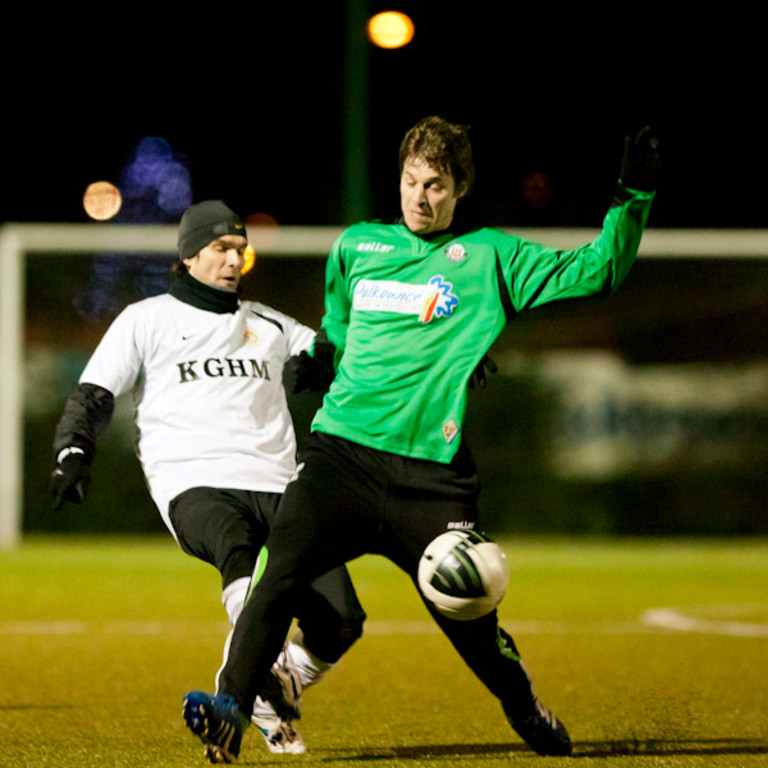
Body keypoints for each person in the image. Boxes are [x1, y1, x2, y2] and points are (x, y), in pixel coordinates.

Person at [182, 120, 660, 763]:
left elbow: (599, 270)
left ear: (460, 187)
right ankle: (230, 709)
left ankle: (523, 706)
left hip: (431, 480)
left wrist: (634, 194)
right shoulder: (357, 247)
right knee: (277, 575)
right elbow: (340, 327)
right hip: (340, 459)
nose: (420, 196)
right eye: (411, 181)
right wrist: (324, 358)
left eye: (436, 184)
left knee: (471, 624)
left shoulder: (493, 257)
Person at [51, 200, 366, 756]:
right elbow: (94, 394)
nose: (231, 258)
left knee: (341, 620)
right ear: (189, 255)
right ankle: (236, 702)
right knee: (239, 555)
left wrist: (326, 360)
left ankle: (280, 683)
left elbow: (337, 354)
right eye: (220, 248)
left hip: (280, 483)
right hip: (193, 480)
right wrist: (73, 449)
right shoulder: (146, 319)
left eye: (238, 249)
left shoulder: (269, 324)